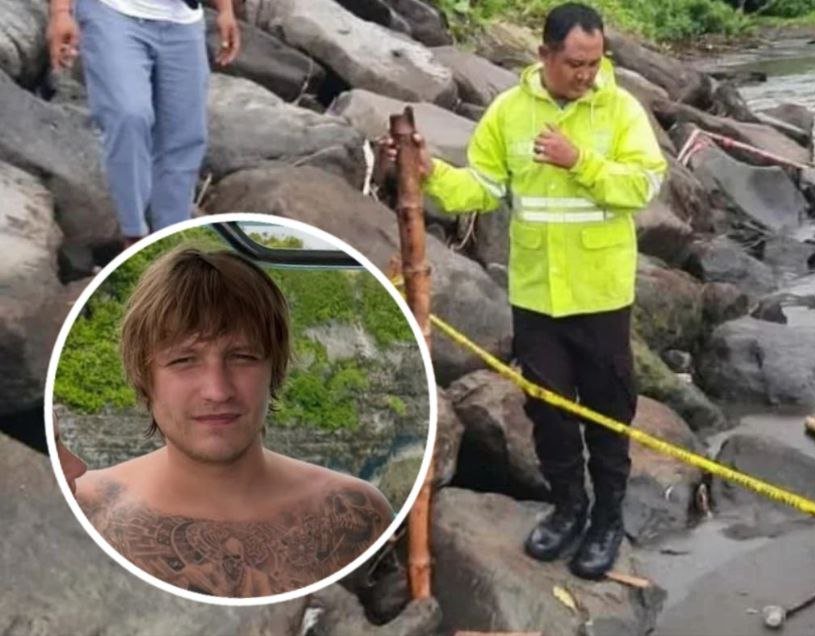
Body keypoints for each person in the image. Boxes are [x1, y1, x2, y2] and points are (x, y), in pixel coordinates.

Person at [380, 2, 666, 579]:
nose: (587, 74)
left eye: (595, 62)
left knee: (609, 411)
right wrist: (431, 173)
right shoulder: (510, 113)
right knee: (548, 412)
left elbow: (642, 186)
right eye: (575, 63)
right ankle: (569, 507)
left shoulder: (620, 109)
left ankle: (608, 515)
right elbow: (481, 190)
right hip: (536, 295)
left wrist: (579, 160)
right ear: (544, 56)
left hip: (602, 294)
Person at [73, 248, 392, 597]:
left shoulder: (354, 515)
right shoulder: (83, 509)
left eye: (242, 357)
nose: (217, 389)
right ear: (144, 378)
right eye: (184, 361)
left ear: (275, 371)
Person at [46, 0, 241, 247]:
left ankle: (170, 242)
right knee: (128, 115)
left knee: (186, 135)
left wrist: (226, 11)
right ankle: (134, 235)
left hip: (183, 23)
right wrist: (60, 12)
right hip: (112, 12)